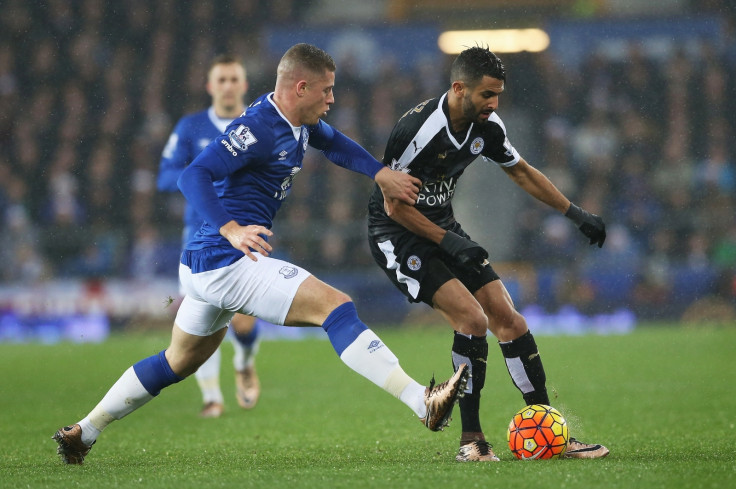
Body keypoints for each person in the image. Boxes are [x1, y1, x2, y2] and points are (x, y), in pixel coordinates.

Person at [53, 43, 470, 465]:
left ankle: (83, 432)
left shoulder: (298, 120)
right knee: (337, 307)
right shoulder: (258, 129)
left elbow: (333, 142)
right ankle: (422, 402)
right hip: (225, 260)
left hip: (201, 268)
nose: (332, 99)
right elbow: (194, 174)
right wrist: (231, 228)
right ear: (301, 87)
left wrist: (379, 173)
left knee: (178, 361)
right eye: (326, 90)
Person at [367, 46, 610, 462]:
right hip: (398, 236)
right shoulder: (417, 130)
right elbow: (393, 205)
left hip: (443, 227)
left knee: (509, 319)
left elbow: (520, 171)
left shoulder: (488, 126)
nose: (494, 103)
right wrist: (447, 242)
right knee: (472, 319)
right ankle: (471, 442)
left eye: (498, 94)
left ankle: (549, 430)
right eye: (486, 94)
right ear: (459, 88)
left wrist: (574, 213)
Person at [158, 54, 262, 418]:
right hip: (199, 237)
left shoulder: (258, 123)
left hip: (247, 230)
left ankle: (245, 362)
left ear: (245, 85)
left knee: (245, 319)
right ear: (210, 86)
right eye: (222, 80)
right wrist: (203, 173)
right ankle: (212, 398)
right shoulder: (190, 127)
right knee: (202, 319)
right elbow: (165, 176)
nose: (228, 86)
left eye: (235, 79)